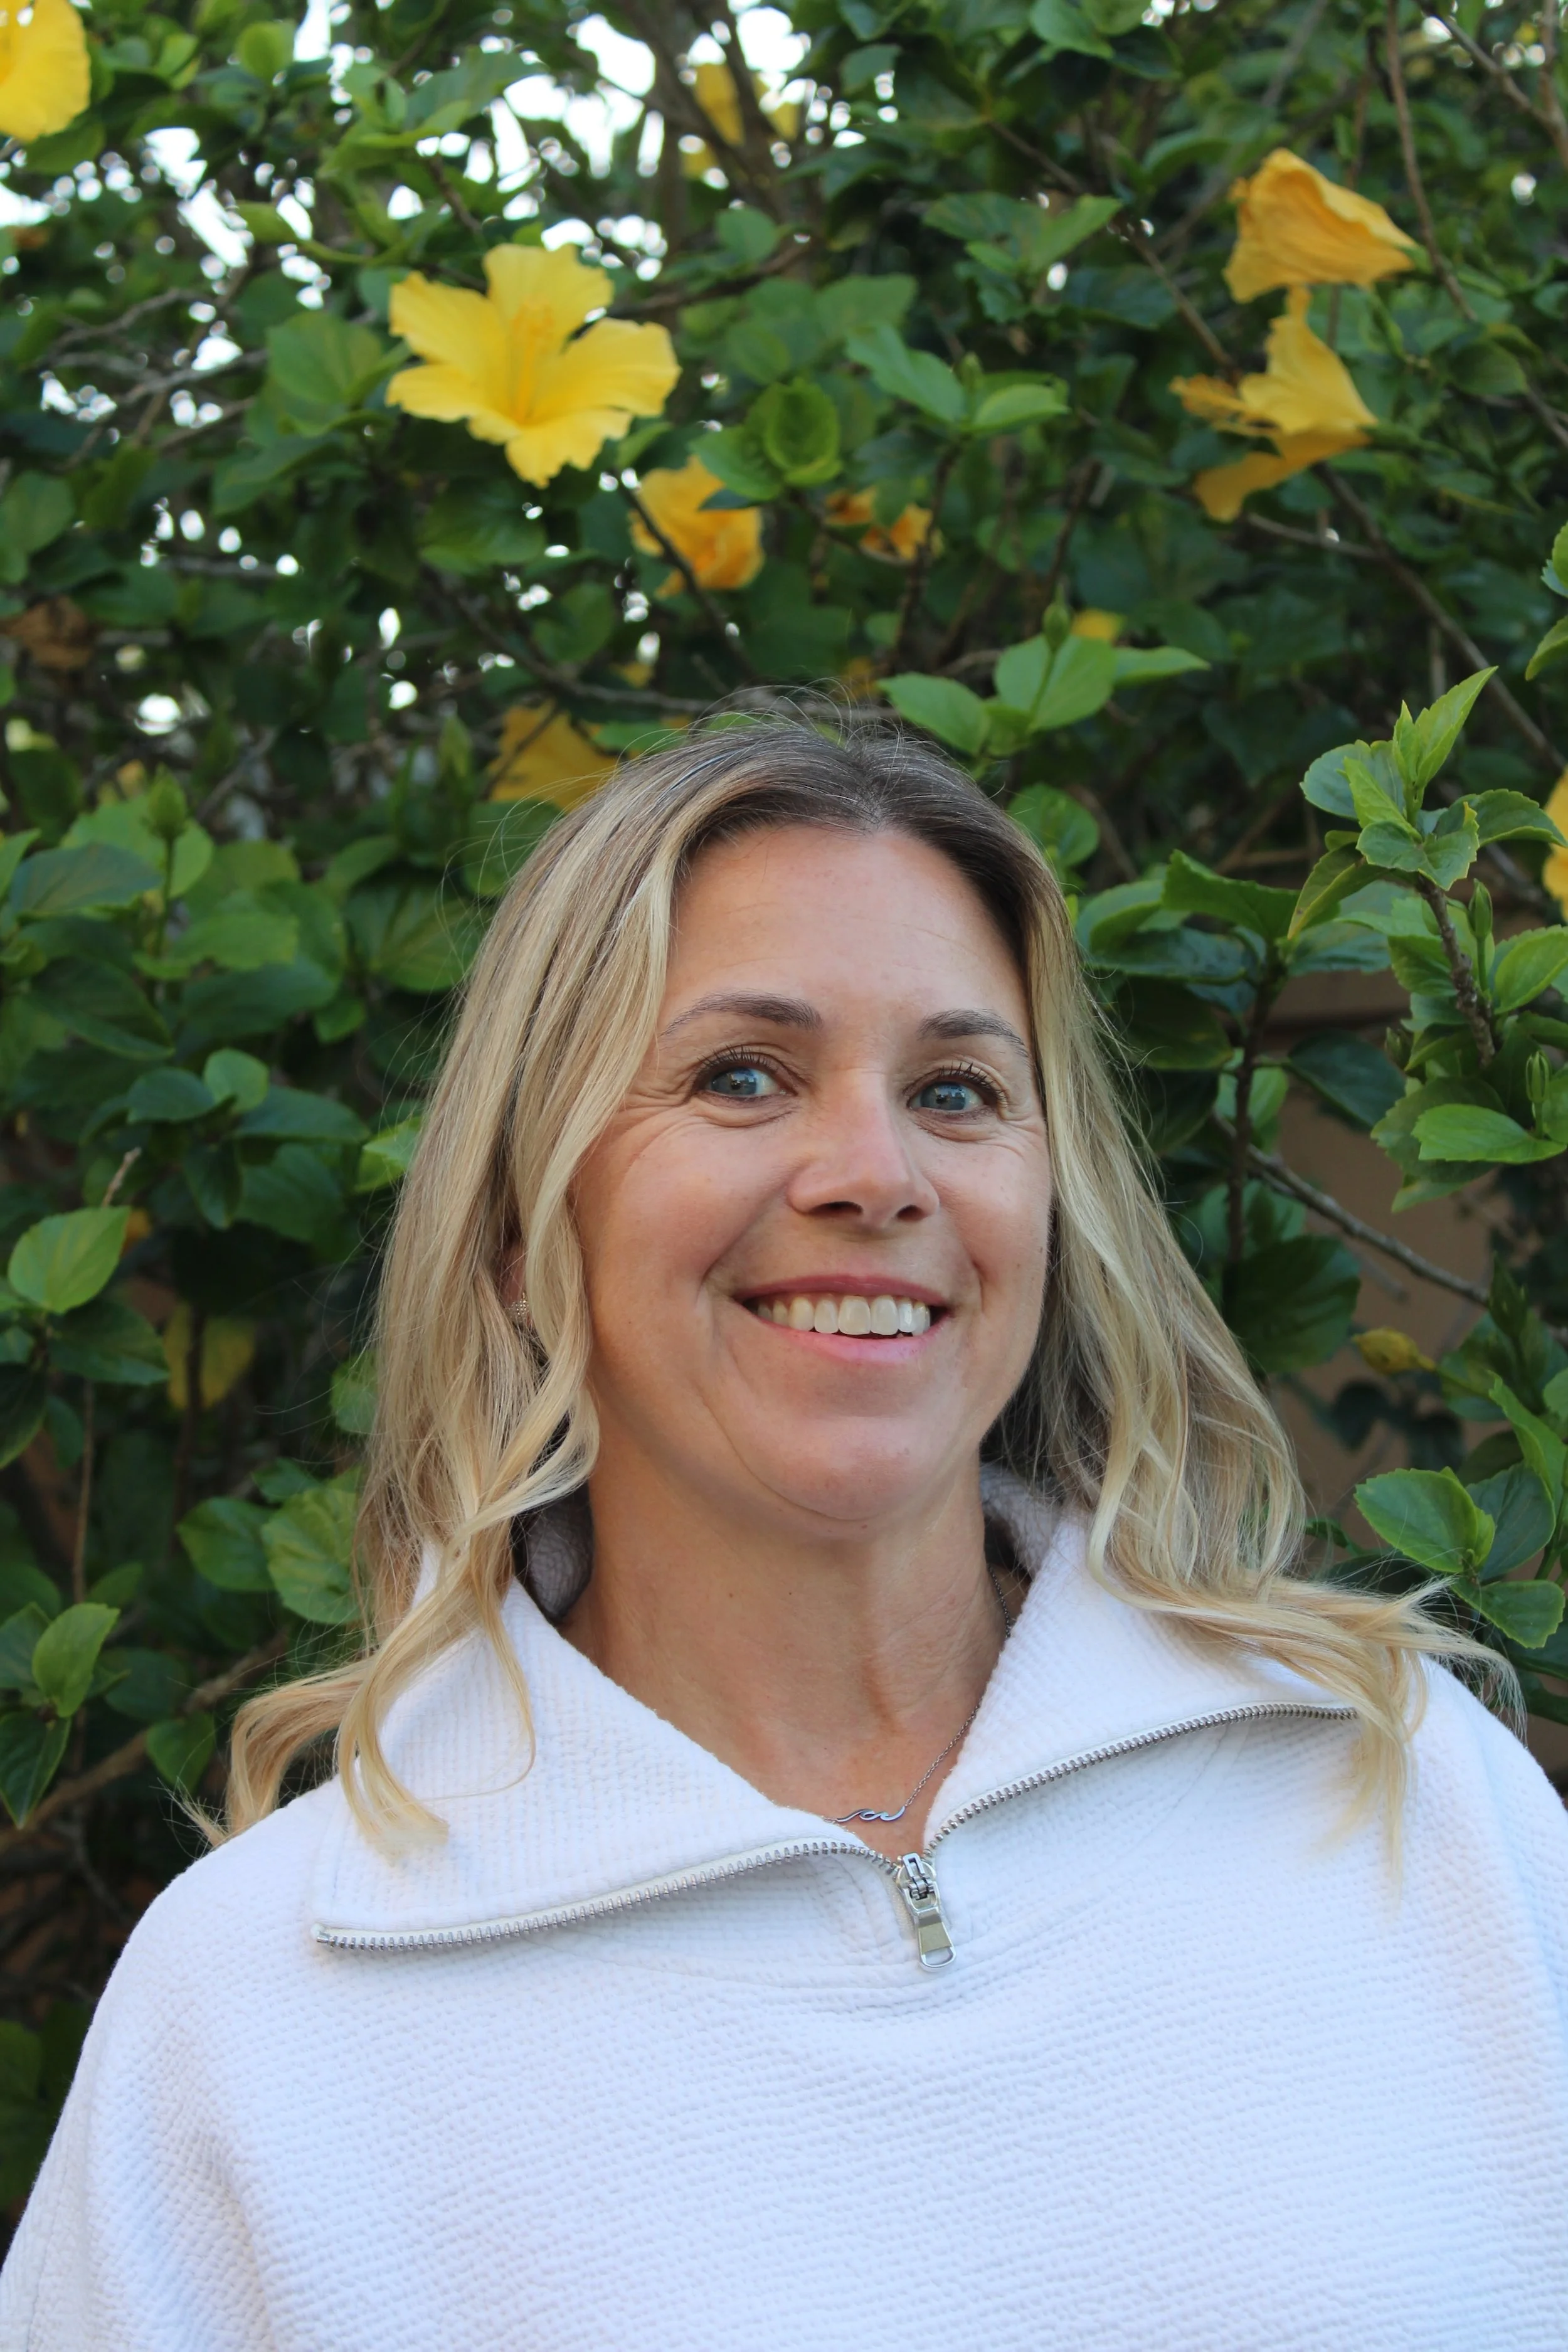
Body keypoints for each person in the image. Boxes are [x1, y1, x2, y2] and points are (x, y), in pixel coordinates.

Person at [3, 718, 1565, 2352]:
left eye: (956, 1089)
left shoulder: (1410, 1797)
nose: (873, 1171)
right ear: (523, 1237)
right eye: (740, 1074)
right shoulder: (261, 2006)